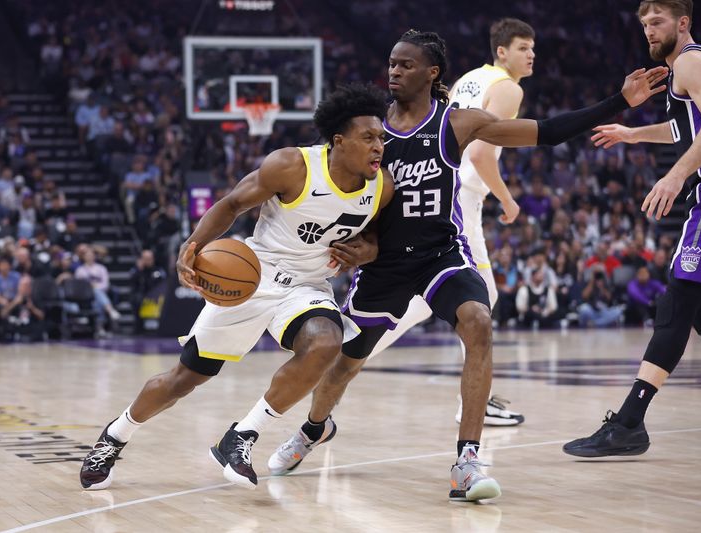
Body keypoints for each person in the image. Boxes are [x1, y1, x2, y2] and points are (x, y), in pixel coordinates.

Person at [268, 29, 666, 501]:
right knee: (346, 364)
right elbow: (336, 193)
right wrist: (350, 243)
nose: (395, 71)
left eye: (406, 64)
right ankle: (314, 429)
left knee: (478, 321)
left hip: (442, 256)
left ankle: (467, 460)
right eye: (392, 63)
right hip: (386, 264)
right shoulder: (369, 132)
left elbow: (548, 133)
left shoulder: (457, 124)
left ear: (432, 72)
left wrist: (618, 100)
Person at [79, 84, 395, 490]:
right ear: (339, 141)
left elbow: (375, 242)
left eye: (381, 138)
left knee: (325, 344)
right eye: (368, 137)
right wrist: (191, 249)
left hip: (307, 285)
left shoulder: (381, 188)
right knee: (183, 380)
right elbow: (231, 205)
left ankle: (241, 436)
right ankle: (115, 436)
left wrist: (364, 253)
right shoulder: (291, 166)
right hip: (252, 276)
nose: (378, 146)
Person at [354, 18, 536, 426]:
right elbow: (480, 154)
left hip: (448, 194)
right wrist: (506, 198)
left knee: (445, 298)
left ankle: (349, 353)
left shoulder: (470, 79)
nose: (532, 56)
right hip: (458, 202)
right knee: (474, 301)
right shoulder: (507, 87)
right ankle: (349, 354)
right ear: (502, 51)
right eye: (524, 48)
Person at [564, 0, 701, 456]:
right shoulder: (683, 71)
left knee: (679, 300)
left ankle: (630, 423)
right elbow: (686, 129)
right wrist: (634, 134)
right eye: (645, 24)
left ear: (683, 23)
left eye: (658, 22)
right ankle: (630, 424)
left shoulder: (691, 61)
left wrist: (675, 176)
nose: (649, 31)